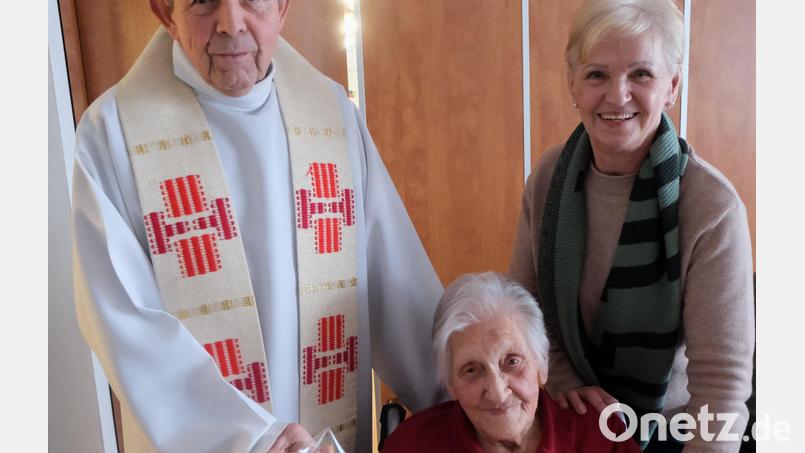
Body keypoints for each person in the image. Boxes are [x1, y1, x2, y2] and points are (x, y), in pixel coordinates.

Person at [71, 0, 443, 452]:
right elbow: (124, 323)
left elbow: (395, 278)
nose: (231, 24)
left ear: (282, 7)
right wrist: (252, 438)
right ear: (165, 12)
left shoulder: (330, 112)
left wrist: (463, 395)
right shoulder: (112, 133)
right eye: (204, 1)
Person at [508, 0, 754, 451]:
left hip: (669, 432)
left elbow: (722, 388)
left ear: (671, 86)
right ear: (573, 85)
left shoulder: (712, 207)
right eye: (597, 75)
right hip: (566, 417)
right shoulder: (548, 179)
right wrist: (565, 384)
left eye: (641, 74)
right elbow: (523, 315)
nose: (617, 95)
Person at [382, 272, 642, 453]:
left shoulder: (597, 435)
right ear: (451, 384)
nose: (497, 393)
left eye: (512, 362)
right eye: (471, 370)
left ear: (542, 366)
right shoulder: (413, 445)